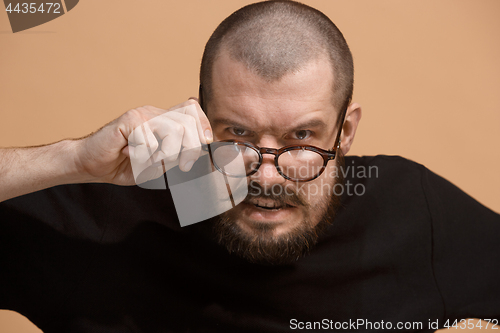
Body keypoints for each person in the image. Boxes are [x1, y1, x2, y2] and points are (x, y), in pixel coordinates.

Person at [1, 1, 499, 332]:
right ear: (201, 121)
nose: (265, 176)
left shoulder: (410, 211)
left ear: (344, 133)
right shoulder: (113, 208)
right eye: (237, 134)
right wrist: (71, 159)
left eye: (301, 137)